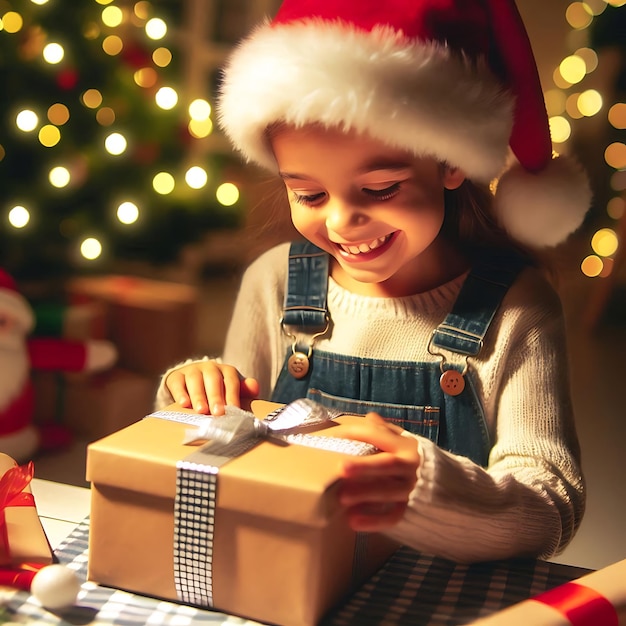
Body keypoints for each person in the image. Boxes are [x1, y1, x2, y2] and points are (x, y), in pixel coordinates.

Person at [155, 0, 591, 563]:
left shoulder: (516, 308)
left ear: (450, 161)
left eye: (381, 188)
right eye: (309, 194)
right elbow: (238, 444)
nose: (340, 222)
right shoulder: (274, 284)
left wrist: (429, 492)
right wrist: (194, 394)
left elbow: (550, 510)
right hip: (294, 581)